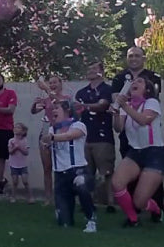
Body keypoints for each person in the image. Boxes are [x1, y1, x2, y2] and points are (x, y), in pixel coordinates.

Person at [112, 45, 163, 210]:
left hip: (153, 149)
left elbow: (144, 119)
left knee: (148, 186)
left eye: (137, 56)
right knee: (123, 182)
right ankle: (133, 215)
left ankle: (154, 208)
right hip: (133, 146)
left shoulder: (152, 84)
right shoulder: (119, 78)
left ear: (143, 58)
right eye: (130, 56)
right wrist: (116, 111)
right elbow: (118, 126)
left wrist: (124, 106)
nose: (133, 59)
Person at [41, 101, 96, 233]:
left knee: (81, 185)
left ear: (67, 110)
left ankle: (91, 219)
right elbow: (45, 141)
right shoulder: (52, 129)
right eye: (53, 109)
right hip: (60, 175)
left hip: (78, 171)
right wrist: (46, 141)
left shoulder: (79, 125)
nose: (54, 111)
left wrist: (52, 138)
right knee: (64, 223)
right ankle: (64, 213)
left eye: (56, 108)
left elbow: (70, 136)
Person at [75, 62, 115, 212]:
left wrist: (84, 106)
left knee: (107, 172)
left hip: (103, 138)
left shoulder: (108, 90)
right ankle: (88, 202)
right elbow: (77, 112)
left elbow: (102, 106)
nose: (90, 71)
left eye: (94, 69)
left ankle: (110, 203)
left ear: (102, 72)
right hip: (85, 137)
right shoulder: (81, 92)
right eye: (89, 68)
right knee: (87, 173)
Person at [31, 75, 72, 205]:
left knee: (62, 167)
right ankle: (48, 197)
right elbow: (34, 111)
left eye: (55, 83)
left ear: (61, 84)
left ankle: (64, 196)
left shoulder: (66, 98)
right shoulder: (46, 99)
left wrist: (47, 89)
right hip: (46, 133)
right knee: (47, 167)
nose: (52, 85)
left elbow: (62, 106)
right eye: (50, 83)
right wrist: (34, 104)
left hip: (62, 134)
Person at [8, 122, 34, 203]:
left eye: (18, 127)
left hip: (23, 165)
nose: (16, 129)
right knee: (15, 182)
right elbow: (10, 152)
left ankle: (30, 197)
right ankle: (13, 197)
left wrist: (19, 147)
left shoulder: (25, 141)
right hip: (14, 165)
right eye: (15, 127)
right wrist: (15, 148)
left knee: (25, 181)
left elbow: (26, 152)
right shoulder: (11, 141)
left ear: (23, 131)